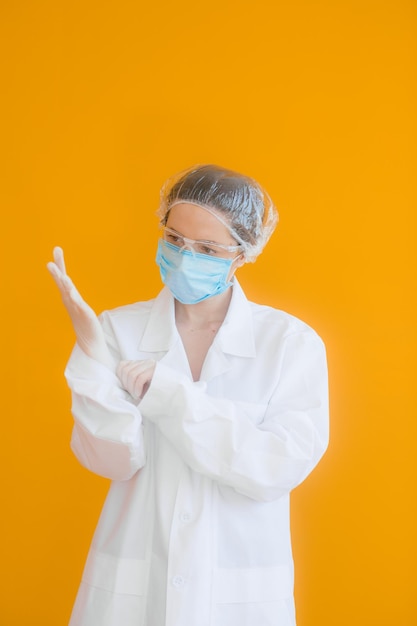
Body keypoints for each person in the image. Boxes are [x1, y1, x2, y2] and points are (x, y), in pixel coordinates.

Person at [47, 164, 329, 626]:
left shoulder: (289, 344)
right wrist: (93, 357)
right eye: (174, 239)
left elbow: (275, 468)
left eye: (207, 249)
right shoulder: (119, 329)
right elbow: (113, 460)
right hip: (132, 589)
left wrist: (171, 396)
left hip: (238, 594)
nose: (183, 257)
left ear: (242, 253)